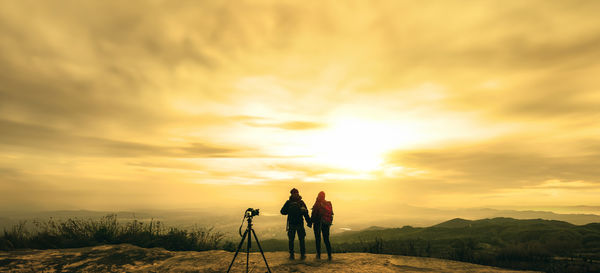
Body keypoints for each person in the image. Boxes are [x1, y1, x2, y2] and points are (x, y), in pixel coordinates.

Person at [280, 188, 311, 260]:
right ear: (298, 193)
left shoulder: (288, 202)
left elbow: (282, 212)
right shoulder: (301, 202)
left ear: (291, 194)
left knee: (291, 240)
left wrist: (288, 210)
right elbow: (306, 213)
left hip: (291, 224)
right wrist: (309, 222)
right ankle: (302, 254)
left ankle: (291, 254)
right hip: (300, 223)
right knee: (301, 239)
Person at [311, 191, 333, 260]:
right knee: (326, 239)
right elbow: (331, 213)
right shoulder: (328, 203)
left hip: (318, 223)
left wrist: (310, 222)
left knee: (318, 239)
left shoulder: (317, 204)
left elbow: (314, 214)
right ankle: (329, 255)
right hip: (326, 223)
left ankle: (318, 254)